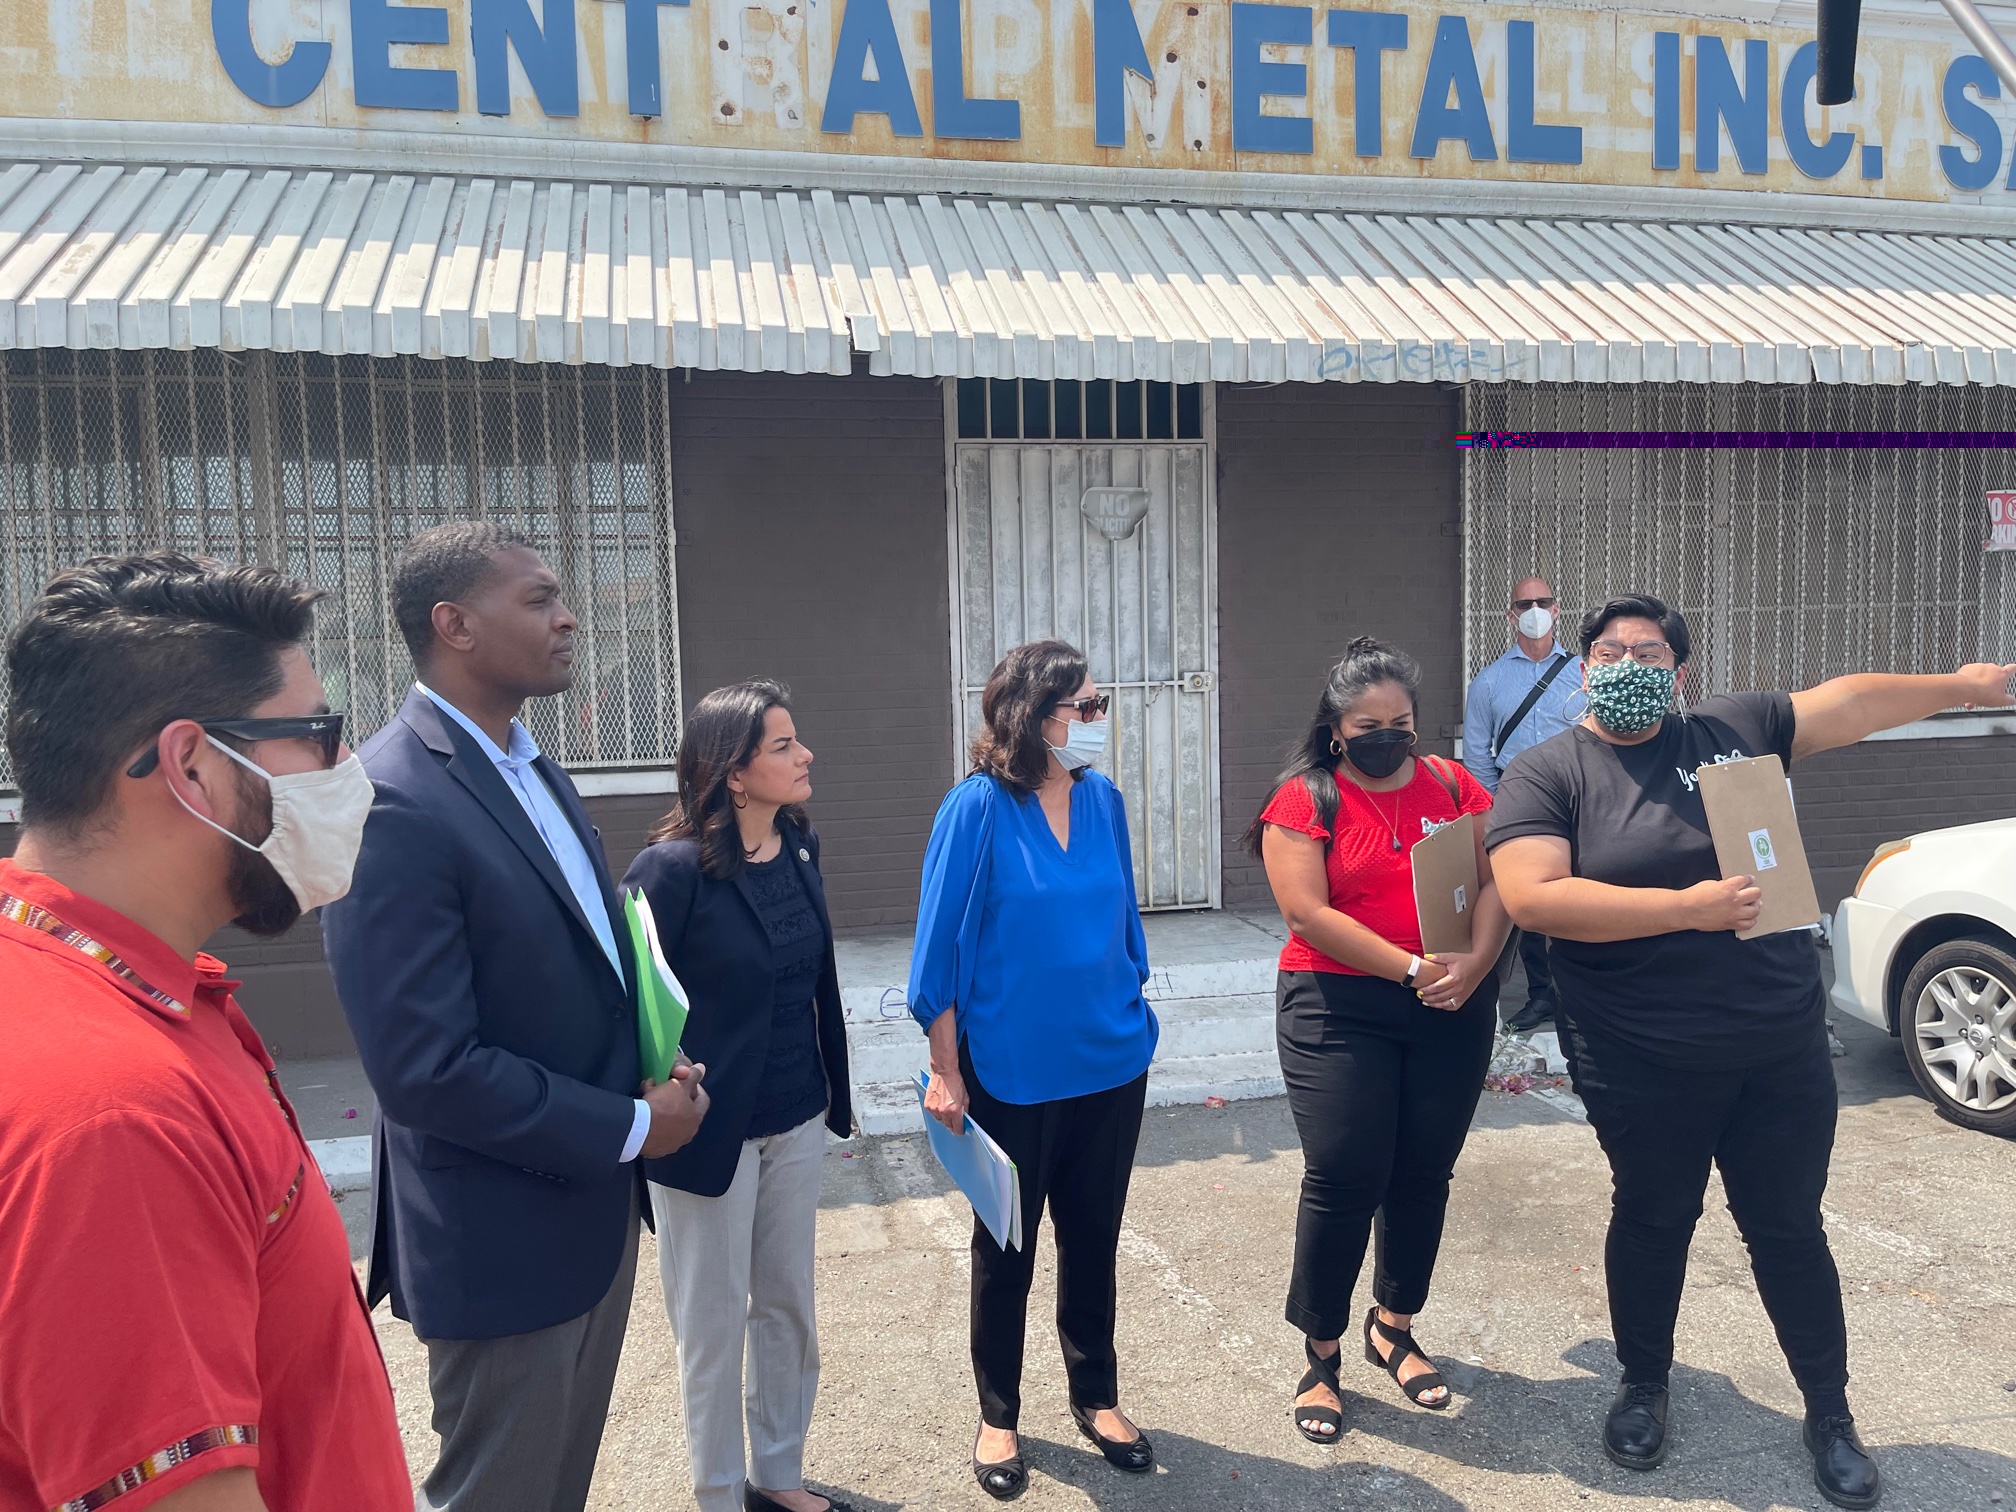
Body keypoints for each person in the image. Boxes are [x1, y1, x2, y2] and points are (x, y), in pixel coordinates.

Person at [1487, 591, 2016, 1510]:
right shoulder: (1550, 772)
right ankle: (1643, 1385)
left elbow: (1848, 703)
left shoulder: (1731, 732)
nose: (1626, 666)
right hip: (1639, 1056)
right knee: (1653, 1219)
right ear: (1583, 667)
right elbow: (1534, 896)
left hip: (1776, 1048)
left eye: (1649, 653)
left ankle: (1830, 1413)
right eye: (1608, 652)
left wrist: (1960, 687)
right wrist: (1686, 908)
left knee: (1787, 1228)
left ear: (1680, 672)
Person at [0, 552, 408, 1512]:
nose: (348, 771)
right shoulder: (115, 1117)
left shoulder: (107, 990)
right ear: (191, 766)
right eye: (318, 735)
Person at [321, 521, 709, 1512]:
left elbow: (585, 968)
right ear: (454, 624)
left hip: (588, 1212)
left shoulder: (531, 767)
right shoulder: (393, 799)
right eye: (538, 599)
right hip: (499, 1238)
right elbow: (427, 1069)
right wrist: (634, 1125)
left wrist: (655, 1062)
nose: (569, 617)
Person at [910, 640, 1160, 1501]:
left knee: (1093, 1237)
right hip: (1012, 1071)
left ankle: (1097, 1396)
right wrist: (945, 1068)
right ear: (1033, 716)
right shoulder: (977, 807)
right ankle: (999, 1414)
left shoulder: (1104, 801)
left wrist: (1132, 999)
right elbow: (939, 950)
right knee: (1006, 1248)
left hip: (1110, 1062)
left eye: (1099, 704)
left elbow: (1124, 919)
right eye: (1084, 707)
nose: (1098, 720)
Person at [1248, 636, 1511, 1443]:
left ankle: (1393, 1327)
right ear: (1336, 728)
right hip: (1339, 1004)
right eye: (1369, 725)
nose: (1386, 737)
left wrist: (1475, 963)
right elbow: (1307, 914)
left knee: (1423, 1171)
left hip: (1451, 1000)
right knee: (1344, 1173)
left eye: (1400, 723)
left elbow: (1500, 879)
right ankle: (1321, 1351)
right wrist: (1410, 968)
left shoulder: (1452, 785)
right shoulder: (1306, 799)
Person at [621, 681, 856, 1512]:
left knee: (787, 1306)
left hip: (796, 1114)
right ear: (733, 771)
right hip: (707, 1132)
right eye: (783, 746)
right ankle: (718, 1494)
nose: (805, 755)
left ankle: (778, 1475)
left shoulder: (799, 847)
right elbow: (630, 998)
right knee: (712, 1327)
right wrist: (662, 1083)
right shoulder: (670, 871)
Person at [1462, 575, 1581, 1033]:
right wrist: (1497, 806)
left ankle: (1582, 994)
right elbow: (1477, 754)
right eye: (1524, 603)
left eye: (1542, 602)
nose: (1534, 610)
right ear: (1510, 615)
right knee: (1531, 899)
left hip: (1579, 796)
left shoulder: (1582, 672)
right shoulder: (1489, 681)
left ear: (1556, 609)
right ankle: (1542, 996)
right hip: (1520, 802)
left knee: (1586, 890)